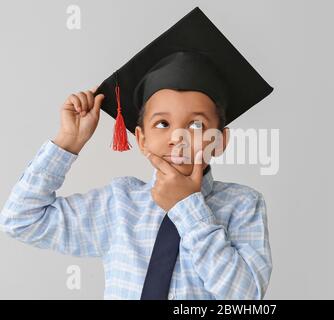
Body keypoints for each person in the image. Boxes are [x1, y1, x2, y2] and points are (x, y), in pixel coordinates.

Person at [0, 7, 274, 300]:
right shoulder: (118, 205)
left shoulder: (243, 205)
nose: (177, 138)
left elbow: (245, 297)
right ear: (141, 139)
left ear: (220, 140)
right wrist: (69, 141)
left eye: (196, 125)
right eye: (162, 123)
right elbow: (21, 219)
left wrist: (187, 207)